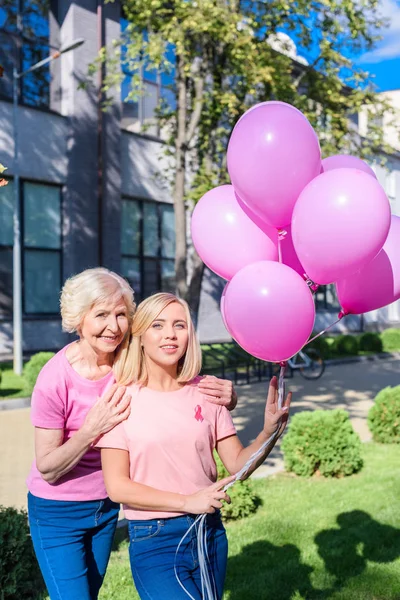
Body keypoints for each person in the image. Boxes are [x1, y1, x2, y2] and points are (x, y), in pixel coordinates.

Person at [27, 269, 235, 600]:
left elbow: (176, 384)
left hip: (108, 504)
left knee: (90, 593)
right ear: (78, 319)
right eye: (101, 315)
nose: (114, 326)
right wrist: (90, 430)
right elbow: (48, 467)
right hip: (59, 510)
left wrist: (226, 398)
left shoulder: (128, 360)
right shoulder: (55, 379)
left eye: (121, 314)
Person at [97, 292, 292, 600]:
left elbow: (238, 466)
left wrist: (270, 432)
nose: (171, 335)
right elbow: (117, 487)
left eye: (180, 325)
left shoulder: (208, 392)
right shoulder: (119, 399)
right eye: (158, 325)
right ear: (140, 336)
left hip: (209, 531)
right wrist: (187, 501)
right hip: (154, 538)